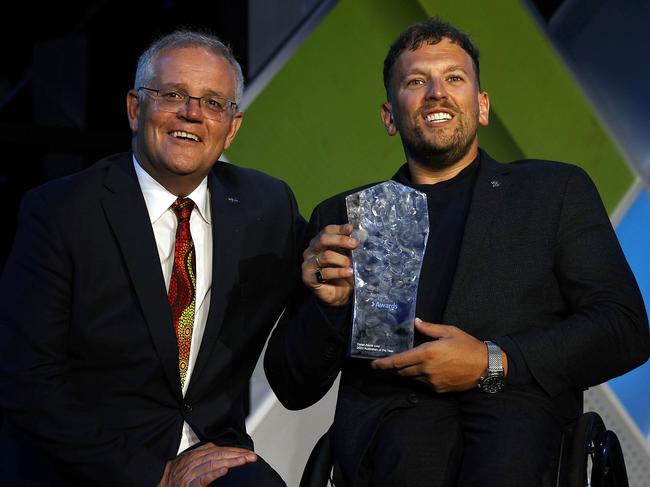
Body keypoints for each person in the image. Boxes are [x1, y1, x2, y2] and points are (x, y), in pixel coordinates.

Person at [264, 17, 650, 487]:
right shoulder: (348, 215)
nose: (436, 93)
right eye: (415, 81)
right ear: (389, 116)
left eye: (454, 78)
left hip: (515, 433)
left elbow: (623, 328)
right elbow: (291, 385)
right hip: (390, 450)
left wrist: (495, 361)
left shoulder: (552, 192)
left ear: (482, 106)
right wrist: (327, 309)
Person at [0, 30, 303, 486]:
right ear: (134, 108)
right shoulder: (62, 212)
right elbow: (28, 380)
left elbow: (305, 331)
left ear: (232, 128)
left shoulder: (268, 206)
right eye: (173, 94)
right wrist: (154, 475)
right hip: (95, 465)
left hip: (212, 454)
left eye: (213, 103)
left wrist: (328, 288)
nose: (192, 113)